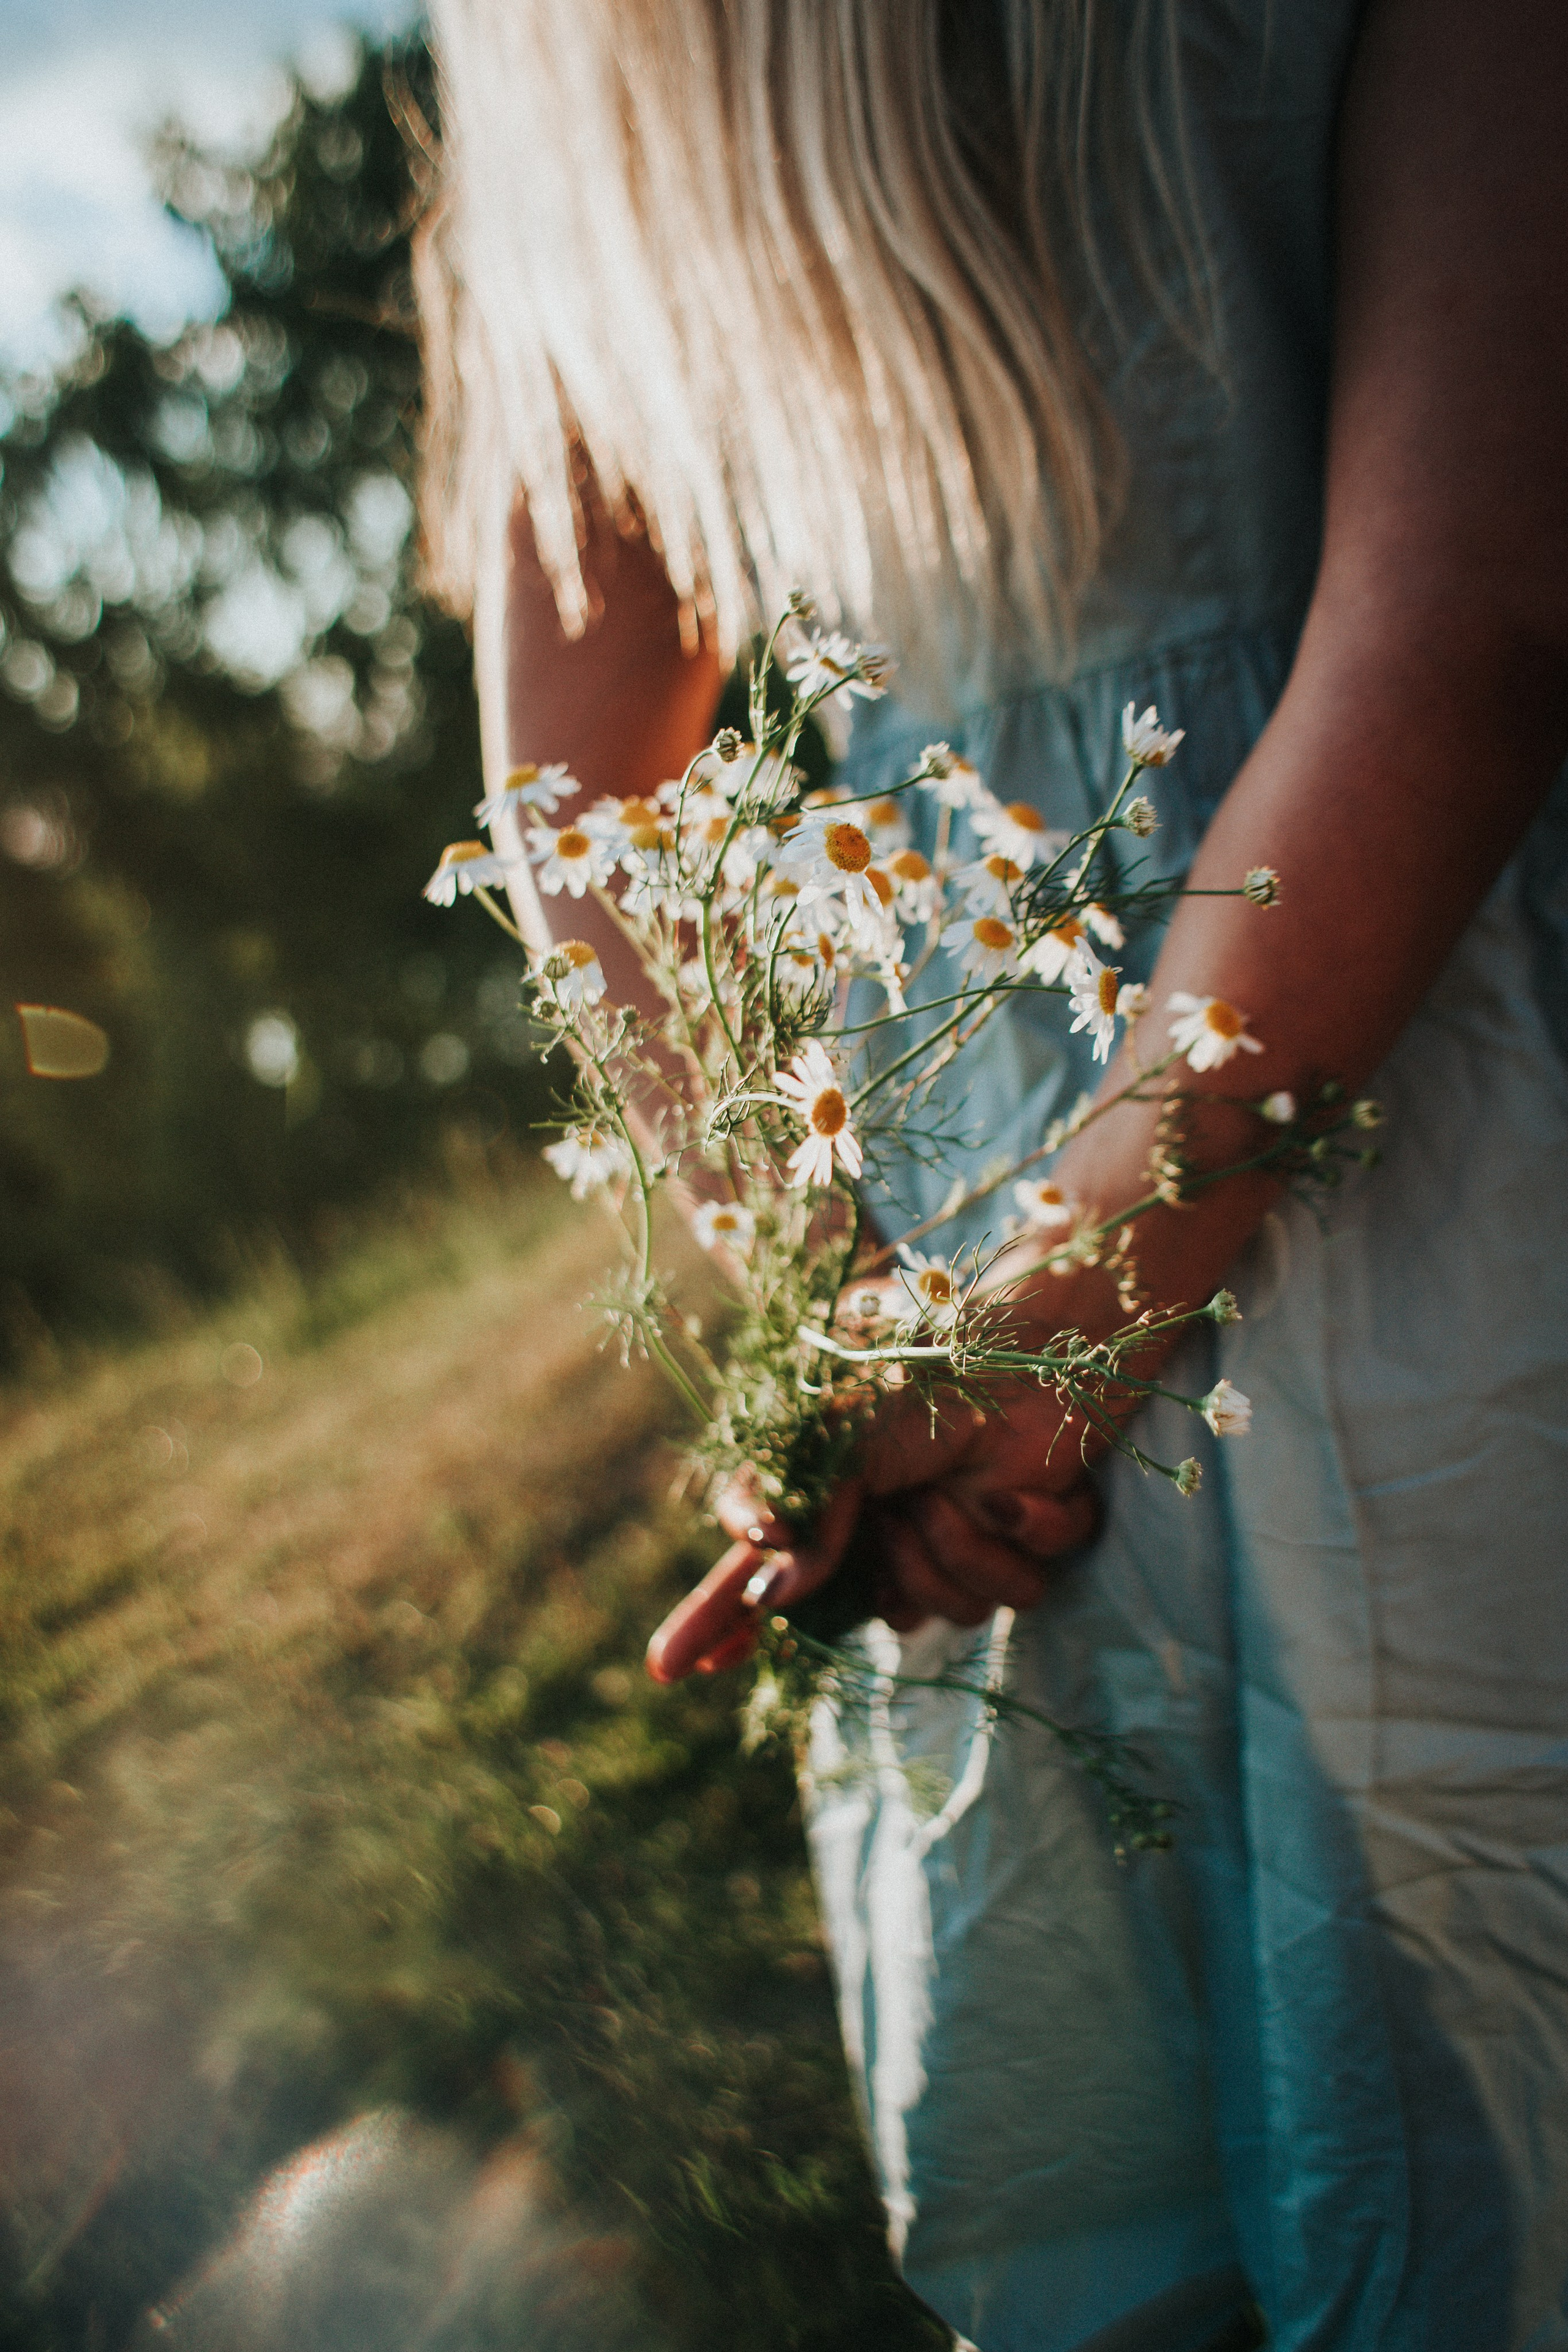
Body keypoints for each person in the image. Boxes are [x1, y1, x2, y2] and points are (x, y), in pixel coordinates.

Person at [419, 3, 1568, 2345]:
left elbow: (575, 805)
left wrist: (868, 1301)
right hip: (1383, 1009)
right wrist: (923, 1344)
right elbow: (1473, 603)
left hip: (1101, 1076)